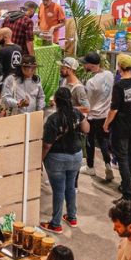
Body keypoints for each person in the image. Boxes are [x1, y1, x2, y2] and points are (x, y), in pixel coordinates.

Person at [40, 88, 89, 234]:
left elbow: (47, 145)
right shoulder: (76, 113)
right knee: (70, 186)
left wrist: (39, 160)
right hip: (76, 156)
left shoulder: (53, 119)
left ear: (55, 101)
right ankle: (72, 217)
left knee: (58, 190)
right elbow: (86, 129)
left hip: (57, 158)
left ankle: (56, 224)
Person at [105, 55, 131, 200]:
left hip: (121, 126)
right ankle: (125, 184)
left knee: (121, 159)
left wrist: (106, 123)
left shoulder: (119, 85)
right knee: (129, 157)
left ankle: (128, 193)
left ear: (120, 66)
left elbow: (114, 109)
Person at [81, 53, 114, 181]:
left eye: (85, 63)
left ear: (90, 65)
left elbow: (87, 103)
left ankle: (90, 167)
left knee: (90, 141)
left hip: (93, 116)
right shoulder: (109, 75)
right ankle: (107, 164)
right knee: (103, 141)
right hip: (106, 116)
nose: (84, 65)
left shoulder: (91, 82)